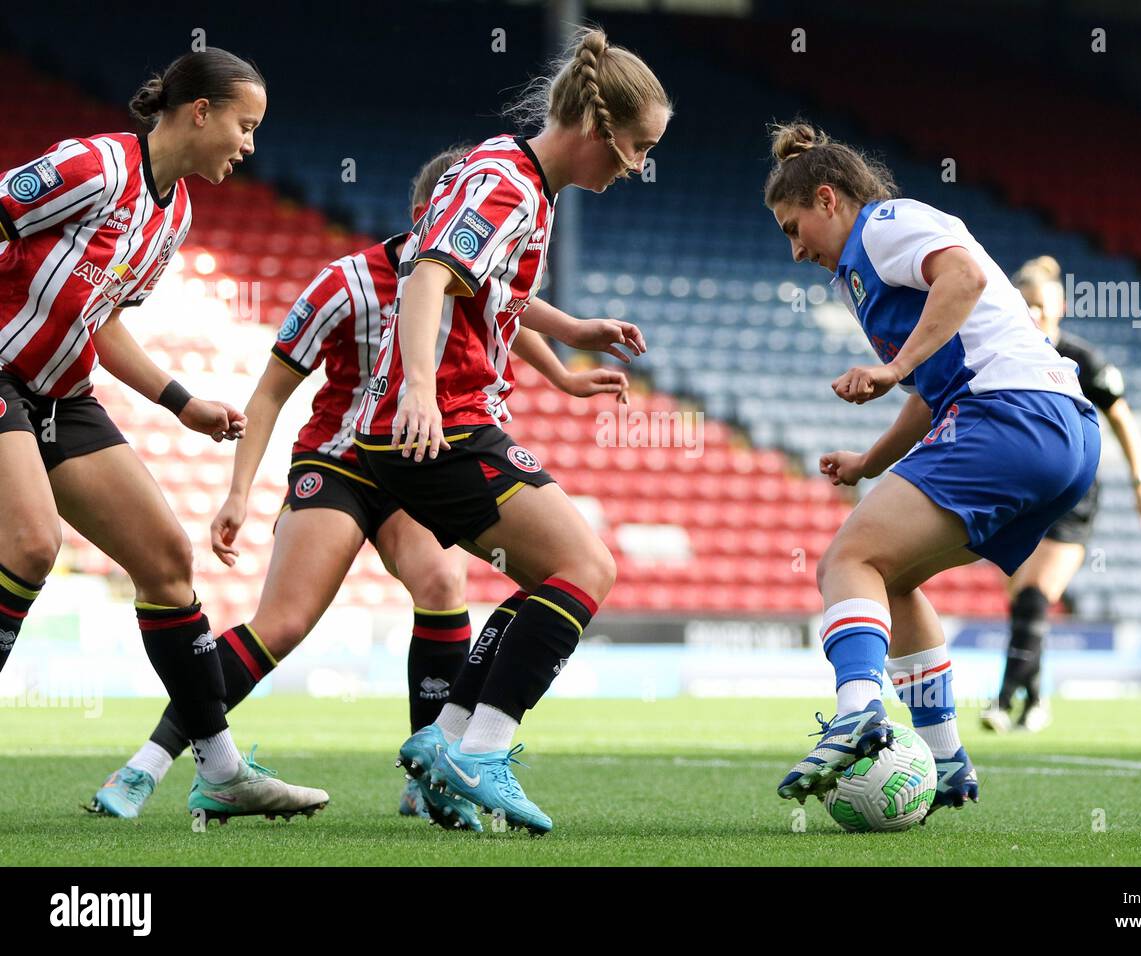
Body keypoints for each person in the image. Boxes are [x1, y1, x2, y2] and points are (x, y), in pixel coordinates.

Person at [87, 144, 631, 827]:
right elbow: (271, 393)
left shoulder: (472, 269)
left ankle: (434, 776)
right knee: (282, 624)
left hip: (416, 458)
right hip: (339, 463)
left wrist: (565, 369)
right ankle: (150, 764)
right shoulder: (344, 282)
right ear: (421, 215)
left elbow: (507, 307)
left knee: (443, 587)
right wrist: (238, 492)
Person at [353, 26, 670, 834]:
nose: (637, 167)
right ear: (597, 130)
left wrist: (571, 340)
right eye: (636, 148)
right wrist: (420, 390)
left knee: (549, 581)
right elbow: (429, 276)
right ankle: (481, 749)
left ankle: (446, 741)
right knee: (585, 565)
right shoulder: (505, 182)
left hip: (441, 422)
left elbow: (490, 290)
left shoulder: (520, 178)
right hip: (441, 425)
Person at [0, 48, 327, 821]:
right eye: (245, 126)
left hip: (59, 393)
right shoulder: (92, 166)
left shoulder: (174, 213)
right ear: (200, 112)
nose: (250, 146)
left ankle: (220, 771)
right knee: (30, 543)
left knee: (167, 561)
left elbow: (101, 322)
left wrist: (181, 402)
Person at [764, 122, 1100, 815]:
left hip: (1011, 415)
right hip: (1057, 433)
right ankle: (948, 760)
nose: (796, 250)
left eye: (795, 228)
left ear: (828, 199)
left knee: (844, 562)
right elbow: (929, 390)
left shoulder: (886, 223)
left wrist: (892, 365)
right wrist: (868, 460)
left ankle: (857, 711)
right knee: (892, 578)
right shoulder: (868, 270)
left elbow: (967, 276)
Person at [981, 256, 1141, 733]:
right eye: (1025, 306)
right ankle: (1037, 701)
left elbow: (1120, 417)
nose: (1034, 314)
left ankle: (1001, 703)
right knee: (1021, 600)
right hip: (1020, 497)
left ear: (1059, 306)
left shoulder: (1079, 360)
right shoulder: (1003, 357)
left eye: (1041, 305)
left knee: (1036, 597)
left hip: (1073, 498)